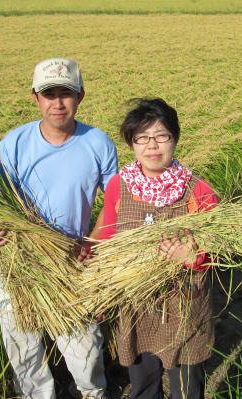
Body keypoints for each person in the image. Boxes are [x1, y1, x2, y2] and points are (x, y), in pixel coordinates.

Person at [0, 57, 117, 399]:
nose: (58, 103)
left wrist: (94, 242)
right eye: (49, 94)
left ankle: (92, 393)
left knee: (84, 349)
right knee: (24, 351)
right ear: (35, 98)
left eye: (66, 94)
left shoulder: (98, 143)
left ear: (80, 96)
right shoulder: (13, 144)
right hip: (18, 263)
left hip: (73, 261)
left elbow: (116, 199)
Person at [98, 98, 218, 399]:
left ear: (174, 138)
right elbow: (107, 241)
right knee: (143, 385)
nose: (152, 146)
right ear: (132, 144)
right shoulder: (118, 186)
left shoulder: (198, 189)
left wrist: (194, 257)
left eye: (161, 136)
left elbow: (220, 252)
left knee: (188, 388)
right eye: (142, 138)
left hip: (185, 307)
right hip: (137, 308)